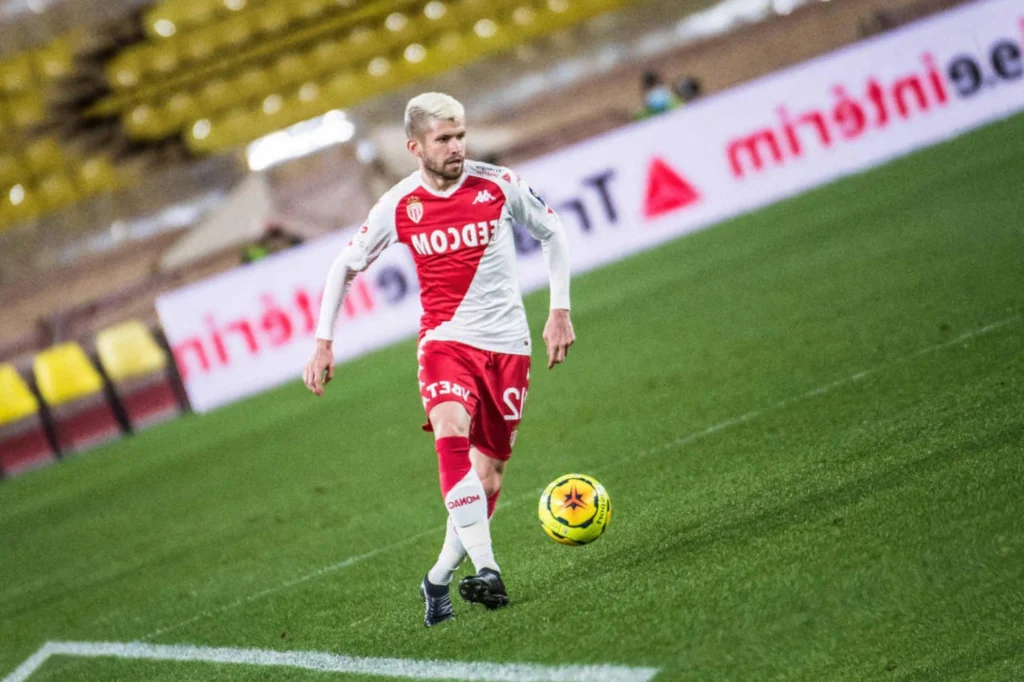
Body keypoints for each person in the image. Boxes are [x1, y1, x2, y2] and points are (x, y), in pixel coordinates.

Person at [302, 92, 575, 627]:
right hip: (445, 342)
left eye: (460, 136)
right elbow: (344, 266)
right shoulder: (399, 205)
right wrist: (323, 341)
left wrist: (559, 311)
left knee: (489, 477)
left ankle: (436, 581)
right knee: (450, 430)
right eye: (444, 139)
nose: (456, 147)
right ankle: (490, 569)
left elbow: (553, 232)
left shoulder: (497, 183)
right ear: (415, 147)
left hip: (508, 345)